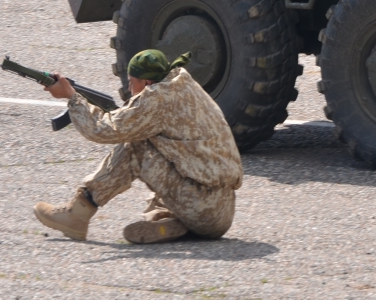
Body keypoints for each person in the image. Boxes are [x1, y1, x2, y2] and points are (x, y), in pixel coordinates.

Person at [34, 49, 243, 244]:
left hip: (201, 206)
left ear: (147, 82)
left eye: (132, 83)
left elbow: (102, 129)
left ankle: (77, 214)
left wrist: (72, 97)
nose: (129, 89)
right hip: (221, 209)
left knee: (136, 145)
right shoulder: (182, 84)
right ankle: (170, 219)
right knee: (163, 147)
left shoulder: (157, 99)